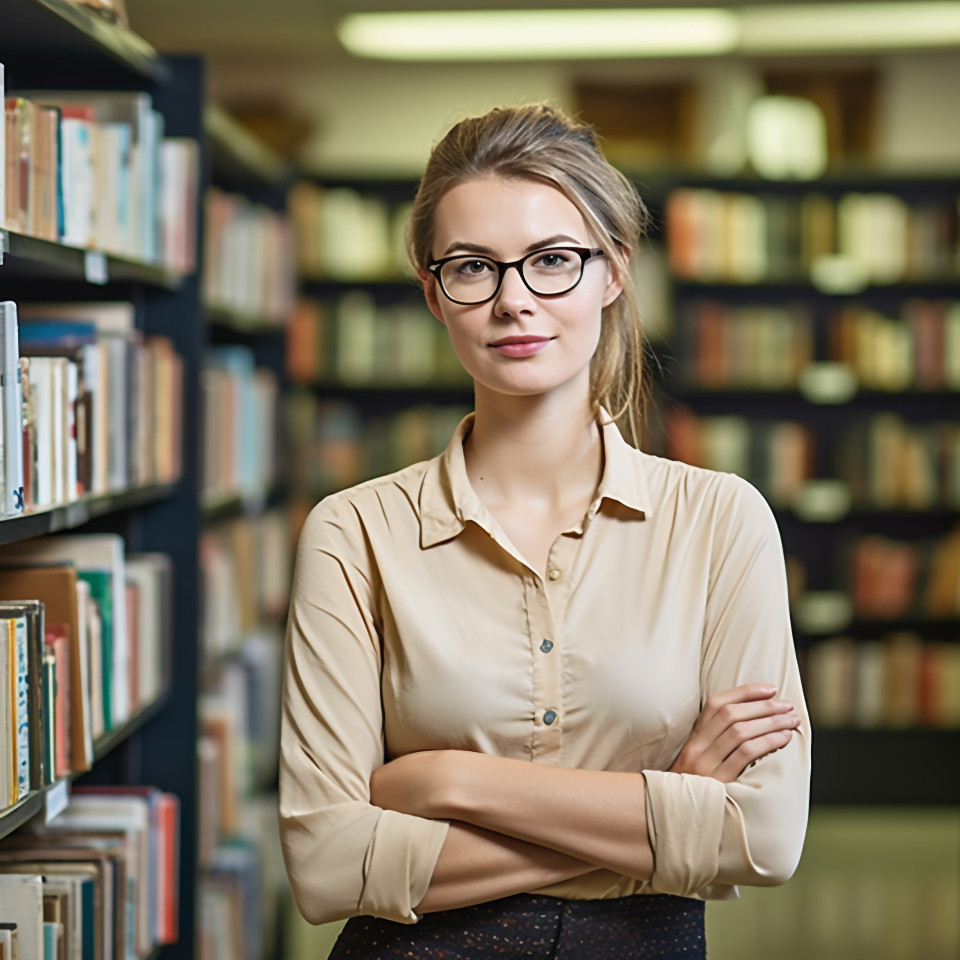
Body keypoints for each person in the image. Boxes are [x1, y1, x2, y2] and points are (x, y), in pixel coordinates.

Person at [279, 103, 810, 960]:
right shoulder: (353, 534)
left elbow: (764, 836)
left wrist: (449, 781)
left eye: (552, 261)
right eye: (472, 269)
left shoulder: (720, 519)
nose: (513, 301)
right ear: (433, 292)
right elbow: (328, 865)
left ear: (613, 272)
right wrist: (668, 803)